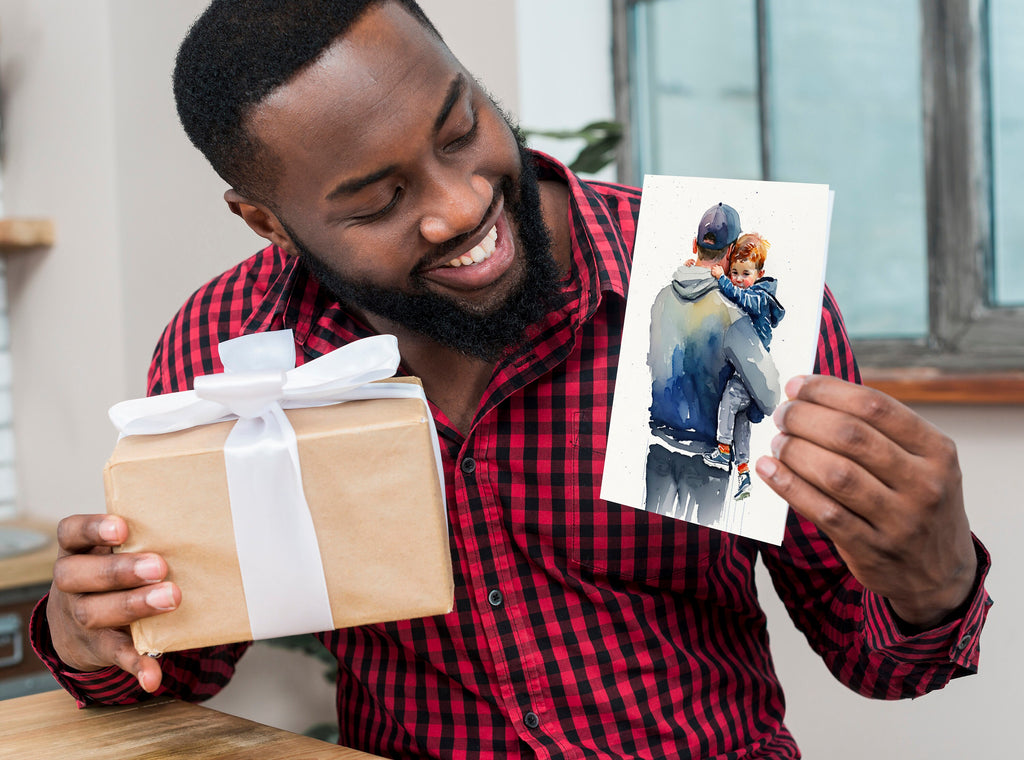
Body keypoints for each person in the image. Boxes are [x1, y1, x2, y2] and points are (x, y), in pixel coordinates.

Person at [32, 2, 991, 758]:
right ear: (267, 223)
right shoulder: (234, 344)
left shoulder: (714, 294)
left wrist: (933, 574)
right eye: (378, 200)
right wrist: (92, 633)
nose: (459, 208)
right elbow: (182, 667)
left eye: (460, 131)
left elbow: (880, 661)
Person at [646, 206, 780, 521]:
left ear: (695, 245)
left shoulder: (661, 298)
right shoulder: (732, 313)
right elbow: (771, 394)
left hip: (657, 448)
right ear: (732, 252)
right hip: (707, 462)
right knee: (695, 564)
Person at [701, 232, 785, 500]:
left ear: (759, 273)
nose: (738, 278)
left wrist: (722, 279)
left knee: (728, 402)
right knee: (740, 423)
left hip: (750, 372)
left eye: (745, 273)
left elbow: (741, 299)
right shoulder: (748, 290)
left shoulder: (760, 298)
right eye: (734, 271)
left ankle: (723, 450)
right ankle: (744, 473)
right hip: (748, 372)